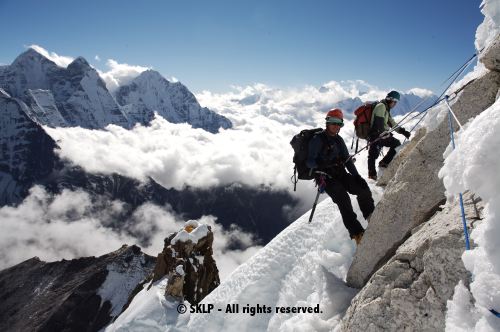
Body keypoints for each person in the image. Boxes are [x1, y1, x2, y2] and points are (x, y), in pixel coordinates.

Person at [306, 108, 374, 245]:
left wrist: (357, 176)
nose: (336, 126)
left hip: (340, 173)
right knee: (343, 199)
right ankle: (357, 233)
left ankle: (371, 215)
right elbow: (309, 162)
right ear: (327, 123)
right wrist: (321, 163)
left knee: (363, 188)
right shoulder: (317, 139)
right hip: (325, 177)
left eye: (339, 124)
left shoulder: (338, 140)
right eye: (333, 123)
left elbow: (347, 160)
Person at [367, 91, 411, 180]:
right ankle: (372, 174)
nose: (395, 104)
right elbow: (378, 122)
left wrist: (403, 131)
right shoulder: (381, 106)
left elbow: (392, 123)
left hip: (382, 135)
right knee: (373, 155)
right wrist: (383, 132)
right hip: (376, 135)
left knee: (396, 144)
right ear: (391, 100)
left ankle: (383, 163)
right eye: (395, 102)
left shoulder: (386, 109)